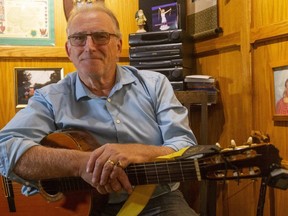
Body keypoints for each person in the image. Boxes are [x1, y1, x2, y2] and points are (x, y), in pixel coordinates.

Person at [0, 3, 198, 215]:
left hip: (157, 200)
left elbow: (185, 146)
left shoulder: (155, 85)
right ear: (69, 50)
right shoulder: (50, 98)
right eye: (79, 38)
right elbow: (5, 147)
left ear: (118, 45)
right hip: (82, 207)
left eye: (101, 36)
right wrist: (81, 164)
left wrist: (140, 151)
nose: (89, 47)